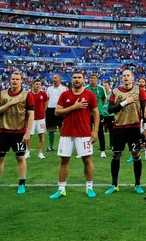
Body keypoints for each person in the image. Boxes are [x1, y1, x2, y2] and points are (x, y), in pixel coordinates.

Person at [49, 71, 100, 199]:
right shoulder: (65, 94)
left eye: (79, 78)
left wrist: (95, 131)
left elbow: (95, 112)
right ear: (72, 80)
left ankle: (89, 187)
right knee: (64, 160)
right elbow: (57, 112)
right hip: (66, 132)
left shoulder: (90, 95)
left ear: (84, 80)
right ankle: (61, 189)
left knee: (87, 159)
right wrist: (74, 106)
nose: (77, 80)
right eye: (75, 77)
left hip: (83, 132)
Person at [0, 71, 35, 195]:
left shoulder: (27, 95)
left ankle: (22, 184)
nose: (14, 81)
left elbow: (31, 114)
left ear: (22, 81)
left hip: (19, 131)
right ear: (10, 80)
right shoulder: (2, 94)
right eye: (13, 79)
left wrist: (28, 132)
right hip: (3, 131)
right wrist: (10, 103)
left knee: (20, 157)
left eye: (17, 79)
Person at [105, 69, 146, 195]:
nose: (126, 77)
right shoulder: (115, 92)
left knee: (136, 155)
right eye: (124, 75)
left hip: (134, 128)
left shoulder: (139, 90)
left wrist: (145, 129)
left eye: (128, 75)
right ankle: (114, 184)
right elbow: (110, 109)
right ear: (121, 78)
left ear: (133, 78)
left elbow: (144, 110)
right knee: (116, 155)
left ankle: (137, 184)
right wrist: (125, 102)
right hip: (119, 128)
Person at [85, 74, 108, 157]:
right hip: (88, 113)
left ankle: (102, 151)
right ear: (89, 79)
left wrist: (99, 107)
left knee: (100, 132)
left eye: (94, 78)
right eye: (91, 78)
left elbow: (104, 100)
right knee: (87, 131)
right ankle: (87, 149)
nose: (92, 79)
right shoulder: (86, 88)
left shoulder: (101, 88)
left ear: (97, 80)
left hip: (99, 113)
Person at [25, 80, 48, 160]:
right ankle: (27, 152)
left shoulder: (43, 94)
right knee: (29, 135)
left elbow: (46, 103)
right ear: (33, 85)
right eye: (36, 84)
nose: (38, 85)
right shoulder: (29, 94)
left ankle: (40, 153)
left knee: (41, 135)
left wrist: (43, 112)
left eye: (39, 84)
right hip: (31, 119)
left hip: (41, 118)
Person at [45, 74, 67, 153]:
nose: (54, 79)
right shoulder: (49, 88)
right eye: (53, 78)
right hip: (50, 109)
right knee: (51, 128)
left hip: (60, 109)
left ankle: (62, 146)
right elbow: (47, 100)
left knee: (62, 128)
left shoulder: (64, 89)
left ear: (60, 79)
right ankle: (51, 146)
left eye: (55, 78)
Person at [99, 81, 114, 158]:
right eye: (103, 85)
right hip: (102, 114)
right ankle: (102, 146)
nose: (105, 87)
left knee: (112, 131)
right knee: (100, 131)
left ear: (109, 86)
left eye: (106, 85)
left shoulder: (112, 94)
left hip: (110, 115)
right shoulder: (101, 93)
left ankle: (112, 144)